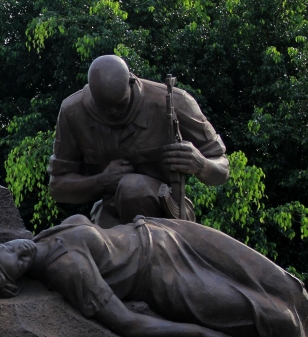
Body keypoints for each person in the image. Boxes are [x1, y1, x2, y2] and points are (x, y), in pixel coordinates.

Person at [0, 215, 308, 337]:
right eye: (20, 263)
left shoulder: (45, 237)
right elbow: (126, 323)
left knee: (287, 286)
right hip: (165, 277)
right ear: (18, 281)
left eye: (11, 249)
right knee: (277, 320)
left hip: (166, 232)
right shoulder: (68, 269)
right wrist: (200, 333)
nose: (22, 251)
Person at [48, 55, 230, 226]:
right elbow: (57, 187)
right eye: (103, 108)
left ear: (131, 82)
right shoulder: (72, 111)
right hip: (110, 216)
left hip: (167, 215)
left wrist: (201, 165)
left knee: (133, 188)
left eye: (119, 105)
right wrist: (101, 181)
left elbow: (222, 168)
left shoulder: (175, 102)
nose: (112, 113)